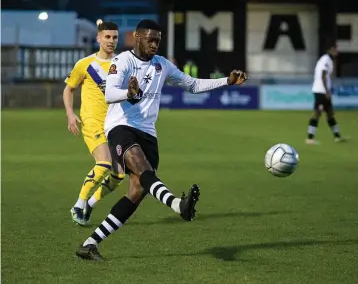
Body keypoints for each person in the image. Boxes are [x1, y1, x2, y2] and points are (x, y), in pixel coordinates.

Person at [76, 19, 248, 260]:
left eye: (158, 40)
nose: (155, 44)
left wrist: (226, 81)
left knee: (136, 192)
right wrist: (129, 92)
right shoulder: (122, 61)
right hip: (121, 127)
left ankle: (90, 244)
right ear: (137, 37)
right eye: (150, 39)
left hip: (148, 133)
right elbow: (110, 93)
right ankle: (179, 206)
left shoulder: (162, 65)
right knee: (142, 167)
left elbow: (193, 85)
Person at [63, 21, 125, 226]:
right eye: (107, 37)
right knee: (105, 163)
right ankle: (79, 205)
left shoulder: (122, 64)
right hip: (92, 122)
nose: (111, 41)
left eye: (115, 37)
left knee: (119, 174)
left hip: (114, 125)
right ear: (98, 38)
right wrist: (70, 114)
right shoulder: (86, 64)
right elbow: (68, 89)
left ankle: (91, 202)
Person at [306, 44, 348, 144]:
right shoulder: (325, 60)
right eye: (335, 50)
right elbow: (323, 75)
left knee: (330, 113)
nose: (337, 52)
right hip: (321, 91)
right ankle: (310, 138)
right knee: (317, 113)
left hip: (323, 90)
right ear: (331, 50)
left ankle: (337, 137)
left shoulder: (328, 60)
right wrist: (327, 91)